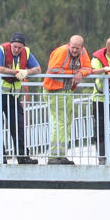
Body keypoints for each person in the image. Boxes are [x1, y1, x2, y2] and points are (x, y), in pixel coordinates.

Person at [0, 31, 41, 161]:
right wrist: (16, 72)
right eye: (15, 47)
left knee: (18, 126)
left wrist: (26, 72)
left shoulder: (26, 52)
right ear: (10, 44)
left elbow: (38, 69)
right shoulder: (1, 49)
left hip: (13, 96)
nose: (17, 50)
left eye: (19, 47)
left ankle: (23, 157)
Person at [42, 34, 91, 164]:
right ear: (69, 45)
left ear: (82, 48)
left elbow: (88, 68)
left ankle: (61, 155)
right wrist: (73, 74)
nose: (74, 50)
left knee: (67, 123)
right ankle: (54, 156)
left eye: (77, 48)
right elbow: (52, 69)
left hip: (67, 91)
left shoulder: (83, 53)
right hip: (53, 91)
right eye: (73, 47)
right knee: (60, 122)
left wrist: (81, 73)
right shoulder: (61, 52)